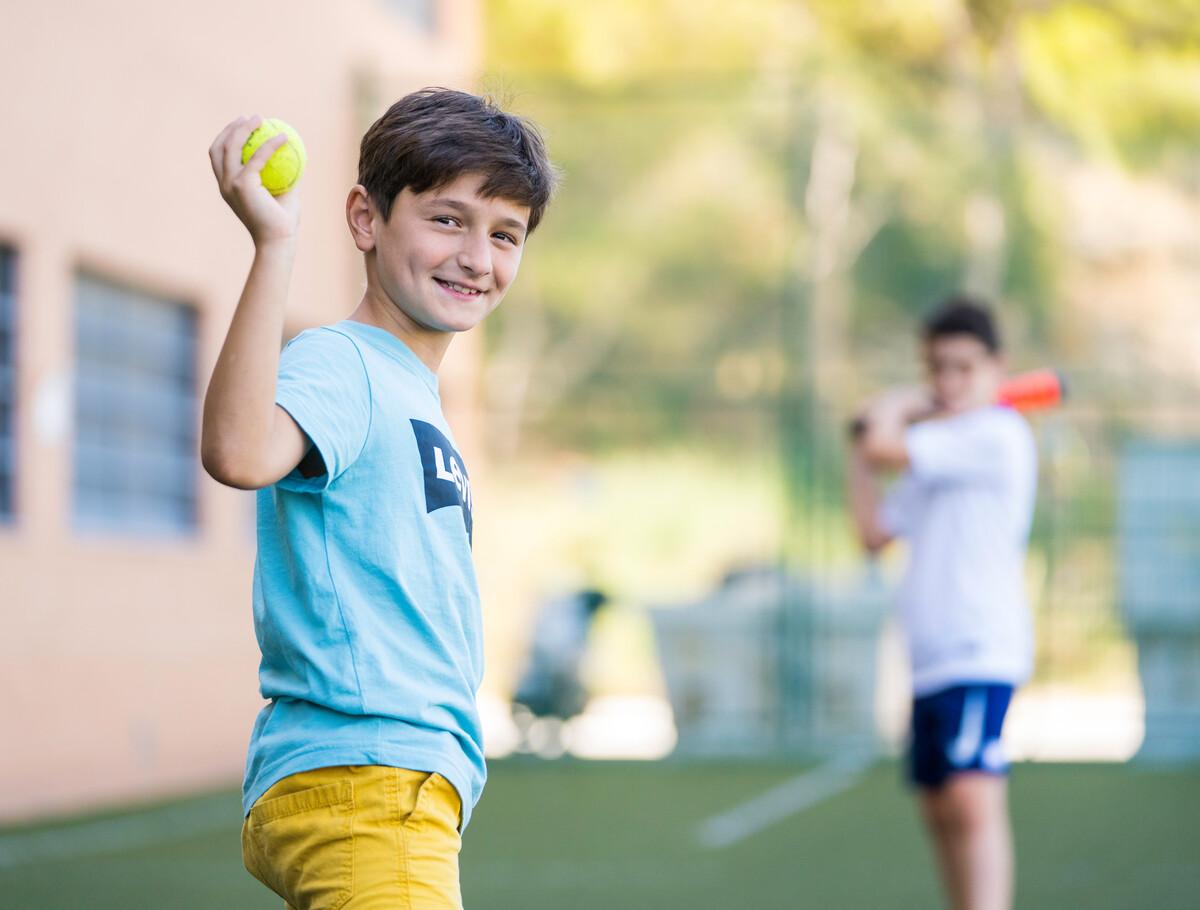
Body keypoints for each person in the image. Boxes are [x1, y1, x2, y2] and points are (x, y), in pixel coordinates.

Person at [202, 89, 557, 909]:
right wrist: (274, 246)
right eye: (447, 220)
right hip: (367, 779)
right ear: (366, 218)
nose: (477, 256)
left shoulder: (412, 391)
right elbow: (238, 450)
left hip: (398, 785)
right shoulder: (344, 363)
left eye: (504, 234)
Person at [846, 297, 1037, 910]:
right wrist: (858, 452)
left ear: (996, 367)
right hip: (928, 656)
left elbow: (885, 445)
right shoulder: (935, 456)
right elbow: (874, 533)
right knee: (939, 810)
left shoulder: (995, 434)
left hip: (978, 648)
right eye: (937, 369)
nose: (949, 382)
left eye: (964, 367)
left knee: (971, 803)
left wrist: (894, 407)